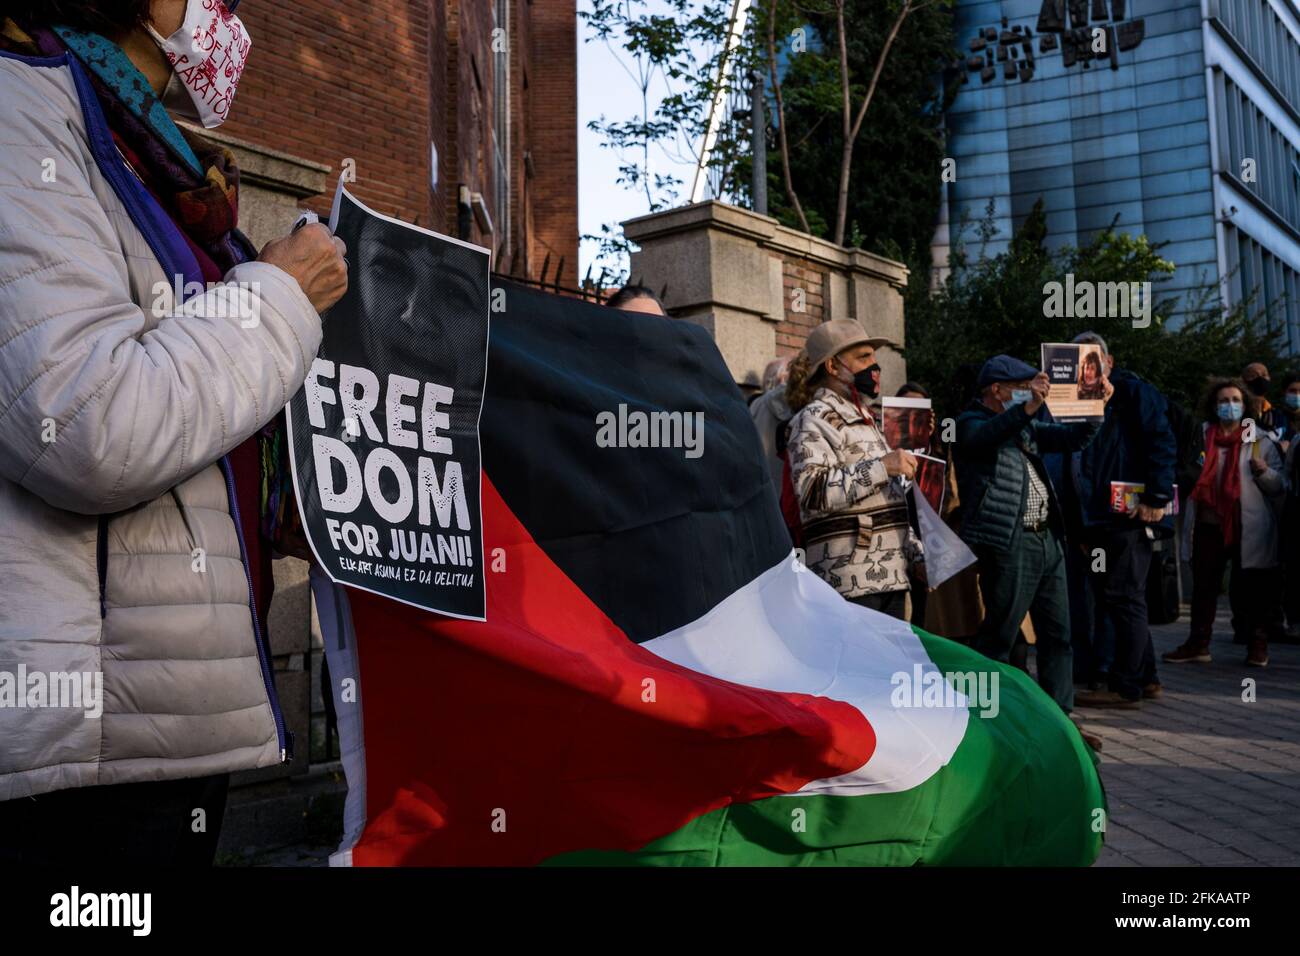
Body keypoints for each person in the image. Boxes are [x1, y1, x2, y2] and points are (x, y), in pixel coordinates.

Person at [0, 0, 348, 865]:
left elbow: (194, 398)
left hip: (158, 726)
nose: (220, 11)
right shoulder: (19, 107)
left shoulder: (137, 150)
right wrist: (275, 296)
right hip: (77, 755)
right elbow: (87, 422)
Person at [952, 355, 1110, 714]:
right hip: (1009, 542)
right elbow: (987, 436)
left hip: (1047, 539)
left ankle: (1061, 722)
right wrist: (1029, 408)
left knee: (1059, 636)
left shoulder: (1025, 428)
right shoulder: (968, 423)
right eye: (1024, 389)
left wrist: (1096, 406)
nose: (1032, 394)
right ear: (997, 389)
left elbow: (1075, 438)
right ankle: (988, 717)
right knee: (1000, 635)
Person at [1066, 333, 1176, 709]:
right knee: (1117, 598)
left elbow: (1161, 440)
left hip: (1129, 515)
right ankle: (1146, 678)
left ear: (1109, 363)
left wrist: (1156, 498)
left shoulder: (1132, 393)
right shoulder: (1075, 401)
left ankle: (1125, 686)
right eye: (1079, 361)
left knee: (1124, 596)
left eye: (1094, 360)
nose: (1088, 368)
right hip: (1098, 519)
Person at [785, 320, 921, 620]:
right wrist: (882, 466)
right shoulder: (812, 419)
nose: (874, 366)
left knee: (886, 667)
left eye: (874, 357)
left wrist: (915, 552)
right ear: (833, 366)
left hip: (892, 576)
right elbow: (812, 492)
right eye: (863, 357)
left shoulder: (868, 420)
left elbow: (888, 499)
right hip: (846, 580)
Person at [1164, 380, 1284, 668]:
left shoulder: (1258, 440)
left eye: (1234, 399)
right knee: (1205, 586)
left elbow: (1280, 485)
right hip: (1208, 524)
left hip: (1247, 525)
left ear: (1244, 405)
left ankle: (1257, 645)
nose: (1229, 405)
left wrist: (1265, 472)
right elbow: (1187, 472)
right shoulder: (1202, 436)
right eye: (1223, 400)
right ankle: (1198, 643)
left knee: (1252, 588)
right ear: (1213, 405)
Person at [1241, 362, 1286, 435]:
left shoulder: (1276, 415)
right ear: (1243, 380)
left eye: (1264, 375)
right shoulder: (1238, 412)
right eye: (1253, 375)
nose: (1260, 378)